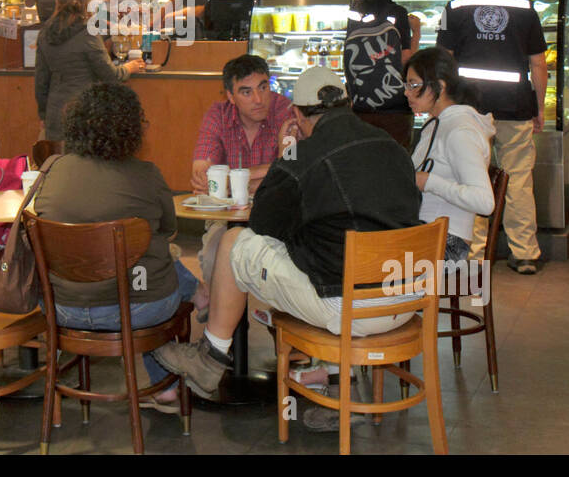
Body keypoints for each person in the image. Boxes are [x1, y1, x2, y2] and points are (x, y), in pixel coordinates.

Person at [154, 66, 423, 403]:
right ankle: (337, 386)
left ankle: (211, 356)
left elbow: (263, 223)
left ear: (297, 114)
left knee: (235, 243)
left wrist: (287, 153)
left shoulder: (303, 157)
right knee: (327, 253)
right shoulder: (394, 148)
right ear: (348, 103)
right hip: (406, 300)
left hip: (349, 309)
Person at [33, 82, 198, 414]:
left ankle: (197, 293)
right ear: (131, 128)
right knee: (158, 265)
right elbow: (168, 230)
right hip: (137, 310)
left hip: (61, 308)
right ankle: (170, 380)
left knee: (148, 265)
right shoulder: (147, 175)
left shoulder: (51, 170)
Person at [436, 0, 547, 274]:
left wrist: (444, 106)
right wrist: (539, 107)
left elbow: (444, 61)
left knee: (472, 177)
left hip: (470, 109)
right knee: (518, 179)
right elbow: (538, 64)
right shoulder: (526, 8)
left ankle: (474, 256)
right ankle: (525, 253)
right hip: (516, 105)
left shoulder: (455, 6)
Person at [189, 55, 295, 315]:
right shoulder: (218, 115)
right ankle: (221, 339)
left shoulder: (286, 111)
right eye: (246, 92)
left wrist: (232, 180)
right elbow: (202, 178)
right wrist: (270, 172)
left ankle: (287, 334)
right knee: (215, 254)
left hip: (277, 214)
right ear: (230, 96)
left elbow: (294, 169)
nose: (258, 99)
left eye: (263, 87)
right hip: (226, 216)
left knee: (289, 261)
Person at [405, 47, 495, 262]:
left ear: (440, 87)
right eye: (406, 84)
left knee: (361, 258)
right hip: (424, 232)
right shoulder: (435, 122)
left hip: (448, 245)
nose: (406, 92)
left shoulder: (460, 131)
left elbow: (484, 202)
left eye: (414, 85)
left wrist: (430, 182)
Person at [35, 0, 143, 141]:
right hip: (84, 112)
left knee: (59, 163)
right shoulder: (87, 32)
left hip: (55, 112)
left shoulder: (45, 33)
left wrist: (43, 114)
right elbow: (111, 75)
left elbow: (41, 82)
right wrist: (130, 67)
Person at [343, 0, 421, 148]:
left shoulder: (354, 11)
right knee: (396, 163)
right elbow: (406, 59)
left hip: (361, 106)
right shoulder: (398, 13)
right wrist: (416, 32)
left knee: (367, 163)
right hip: (394, 108)